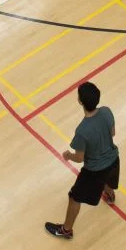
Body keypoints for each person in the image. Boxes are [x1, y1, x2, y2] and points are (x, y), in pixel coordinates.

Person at [44, 81, 119, 240]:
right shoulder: (106, 111)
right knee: (106, 178)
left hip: (94, 171)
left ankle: (66, 230)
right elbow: (112, 133)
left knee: (74, 197)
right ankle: (110, 196)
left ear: (80, 101)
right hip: (113, 159)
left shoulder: (82, 131)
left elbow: (79, 158)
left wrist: (67, 155)